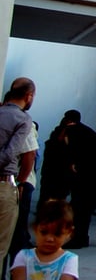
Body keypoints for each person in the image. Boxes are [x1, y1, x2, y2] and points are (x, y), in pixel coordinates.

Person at [0, 77, 36, 263]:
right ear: (29, 96)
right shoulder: (23, 119)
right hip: (4, 183)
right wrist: (22, 182)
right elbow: (17, 152)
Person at [60, 110, 96, 249]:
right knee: (86, 209)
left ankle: (77, 237)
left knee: (77, 208)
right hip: (94, 176)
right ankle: (83, 236)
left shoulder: (71, 132)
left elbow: (67, 149)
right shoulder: (90, 132)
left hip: (80, 176)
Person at [10, 199, 78, 280]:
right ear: (35, 229)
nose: (50, 239)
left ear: (69, 233)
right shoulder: (24, 256)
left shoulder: (69, 260)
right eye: (44, 232)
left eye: (57, 234)